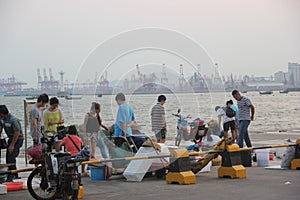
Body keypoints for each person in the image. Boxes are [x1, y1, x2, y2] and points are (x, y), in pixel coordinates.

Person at [0, 105, 24, 182]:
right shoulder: (2, 119)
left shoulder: (13, 120)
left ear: (3, 113)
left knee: (11, 156)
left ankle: (13, 175)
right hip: (10, 138)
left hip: (17, 139)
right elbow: (1, 127)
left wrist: (12, 145)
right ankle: (13, 173)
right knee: (8, 157)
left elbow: (17, 132)